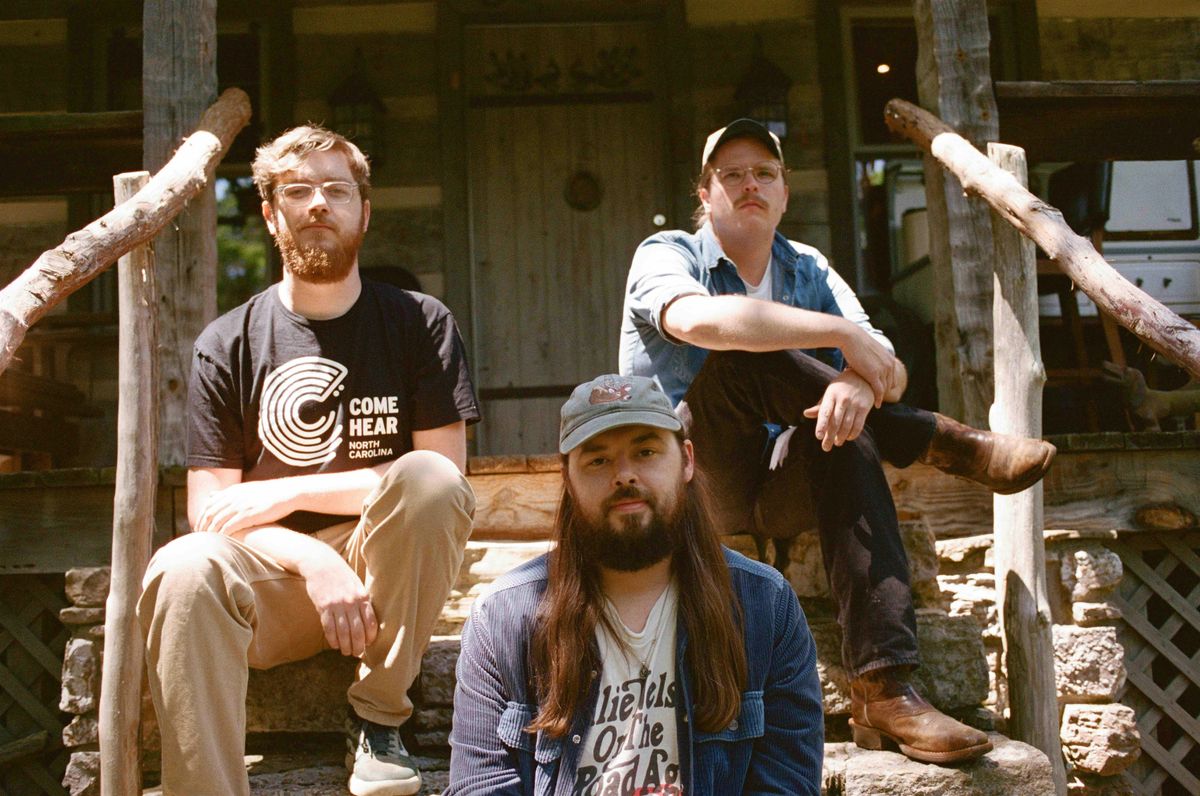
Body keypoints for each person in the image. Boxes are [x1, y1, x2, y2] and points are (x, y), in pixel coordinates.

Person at [618, 119, 1055, 764]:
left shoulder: (807, 267)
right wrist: (844, 344)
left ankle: (884, 691)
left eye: (765, 173)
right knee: (739, 355)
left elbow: (894, 372)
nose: (750, 185)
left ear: (785, 193)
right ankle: (945, 443)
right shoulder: (667, 253)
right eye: (731, 174)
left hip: (785, 482)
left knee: (845, 435)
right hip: (693, 485)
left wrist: (857, 383)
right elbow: (701, 320)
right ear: (704, 194)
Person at [138, 125, 480, 796]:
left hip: (386, 575)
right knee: (179, 566)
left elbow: (443, 474)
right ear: (270, 214)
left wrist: (287, 495)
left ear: (364, 211)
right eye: (297, 190)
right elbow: (210, 514)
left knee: (429, 481)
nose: (318, 204)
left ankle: (379, 718)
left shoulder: (419, 322)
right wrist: (312, 557)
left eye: (337, 190)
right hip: (274, 585)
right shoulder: (226, 342)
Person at [448, 374, 824, 796]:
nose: (624, 475)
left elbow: (787, 785)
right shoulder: (501, 620)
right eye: (598, 460)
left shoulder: (765, 608)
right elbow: (482, 787)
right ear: (567, 479)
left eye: (645, 452)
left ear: (686, 461)